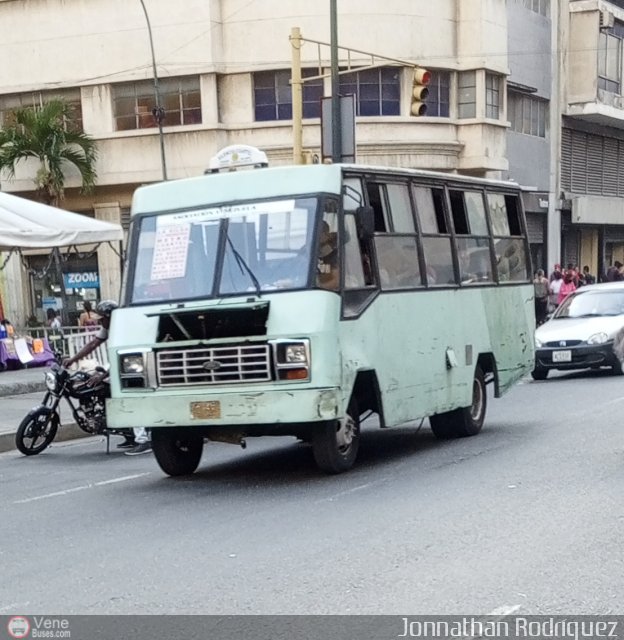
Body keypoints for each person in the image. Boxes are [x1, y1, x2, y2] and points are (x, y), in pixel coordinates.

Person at [62, 300, 150, 454]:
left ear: (111, 317)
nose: (101, 321)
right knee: (106, 391)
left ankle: (142, 440)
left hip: (136, 366)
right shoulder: (108, 328)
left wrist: (103, 375)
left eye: (102, 318)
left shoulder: (125, 330)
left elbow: (123, 358)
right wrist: (73, 359)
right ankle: (127, 434)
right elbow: (92, 345)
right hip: (121, 365)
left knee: (131, 399)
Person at [316, 220, 339, 290]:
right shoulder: (307, 250)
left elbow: (337, 281)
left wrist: (318, 286)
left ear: (327, 234)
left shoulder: (334, 254)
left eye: (320, 233)